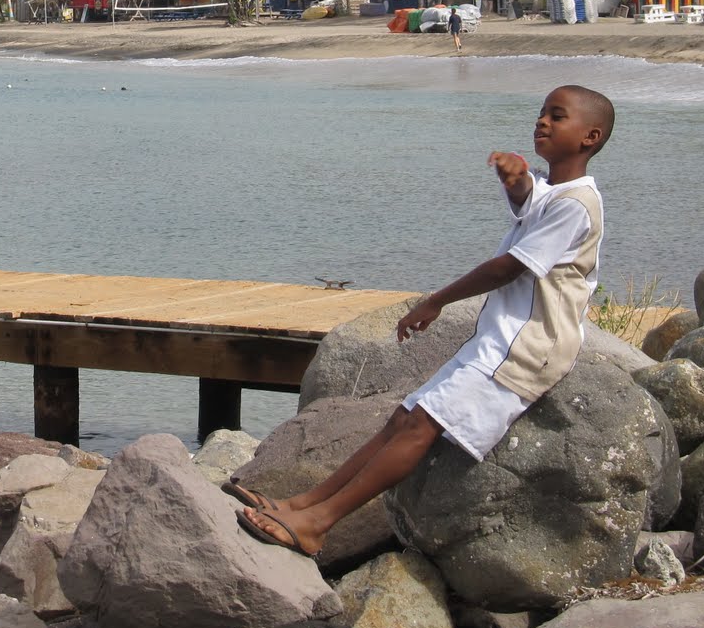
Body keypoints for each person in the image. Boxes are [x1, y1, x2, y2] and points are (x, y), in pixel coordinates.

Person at [231, 84, 614, 558]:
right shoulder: (556, 193)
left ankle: (318, 524)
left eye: (557, 116)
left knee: (419, 427)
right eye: (542, 113)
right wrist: (514, 179)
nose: (542, 122)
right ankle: (302, 503)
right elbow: (530, 199)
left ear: (590, 137)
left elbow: (509, 267)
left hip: (529, 348)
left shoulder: (577, 205)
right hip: (500, 340)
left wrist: (436, 301)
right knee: (401, 419)